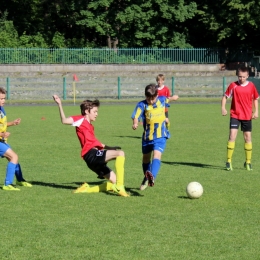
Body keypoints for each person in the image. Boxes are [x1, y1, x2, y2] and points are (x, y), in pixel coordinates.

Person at [52, 95, 129, 197]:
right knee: (121, 154)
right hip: (91, 154)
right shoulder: (80, 120)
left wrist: (110, 147)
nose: (97, 114)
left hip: (92, 159)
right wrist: (60, 104)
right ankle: (120, 187)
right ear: (87, 111)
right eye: (95, 112)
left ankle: (86, 189)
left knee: (114, 181)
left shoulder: (90, 126)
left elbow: (96, 143)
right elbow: (64, 120)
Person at [131, 83, 174, 190]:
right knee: (146, 158)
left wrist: (174, 98)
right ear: (145, 96)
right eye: (148, 98)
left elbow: (169, 99)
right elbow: (136, 116)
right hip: (147, 137)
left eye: (153, 99)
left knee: (157, 155)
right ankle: (147, 177)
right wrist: (135, 123)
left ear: (157, 95)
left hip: (160, 136)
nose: (150, 101)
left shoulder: (162, 100)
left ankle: (152, 177)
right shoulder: (142, 105)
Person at [221, 66, 259, 171]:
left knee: (247, 138)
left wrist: (256, 111)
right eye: (239, 76)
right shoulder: (233, 85)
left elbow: (255, 98)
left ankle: (248, 162)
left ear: (247, 76)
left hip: (247, 116)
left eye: (243, 77)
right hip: (235, 115)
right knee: (232, 136)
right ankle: (228, 161)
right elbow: (225, 97)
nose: (241, 78)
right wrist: (223, 108)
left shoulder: (251, 86)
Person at [0, 87, 32, 191]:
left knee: (13, 158)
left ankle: (20, 180)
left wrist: (12, 123)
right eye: (1, 98)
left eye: (4, 98)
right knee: (14, 157)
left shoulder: (1, 109)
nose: (3, 100)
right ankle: (7, 184)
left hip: (2, 140)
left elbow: (2, 124)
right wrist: (1, 134)